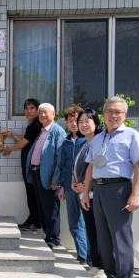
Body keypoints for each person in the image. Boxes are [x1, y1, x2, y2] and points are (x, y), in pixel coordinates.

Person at [81, 96, 139, 278]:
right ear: (103, 114)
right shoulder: (98, 139)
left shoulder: (131, 135)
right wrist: (86, 193)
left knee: (120, 238)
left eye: (118, 112)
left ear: (125, 115)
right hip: (99, 191)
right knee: (104, 238)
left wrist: (135, 195)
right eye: (109, 111)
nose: (113, 115)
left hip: (119, 189)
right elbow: (91, 167)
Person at [63, 108, 107, 278]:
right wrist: (75, 182)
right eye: (80, 121)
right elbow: (78, 167)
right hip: (84, 193)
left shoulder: (100, 141)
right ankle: (95, 265)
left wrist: (84, 185)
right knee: (91, 230)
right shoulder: (84, 143)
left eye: (86, 121)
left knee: (99, 232)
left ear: (96, 122)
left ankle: (103, 268)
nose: (82, 124)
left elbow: (100, 165)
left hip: (95, 192)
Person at [25, 103, 67, 248]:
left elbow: (61, 158)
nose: (42, 115)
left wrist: (56, 179)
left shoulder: (58, 131)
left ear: (53, 114)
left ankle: (53, 239)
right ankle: (47, 235)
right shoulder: (42, 131)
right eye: (41, 112)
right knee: (42, 207)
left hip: (49, 177)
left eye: (46, 112)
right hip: (37, 173)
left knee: (51, 208)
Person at [2, 98, 42, 231]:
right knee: (31, 193)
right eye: (26, 108)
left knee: (32, 193)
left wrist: (10, 149)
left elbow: (22, 144)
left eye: (32, 108)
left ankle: (35, 221)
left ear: (38, 110)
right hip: (29, 165)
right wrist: (13, 134)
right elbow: (25, 141)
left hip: (33, 166)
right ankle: (33, 219)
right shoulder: (32, 125)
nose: (29, 111)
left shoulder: (37, 124)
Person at [58, 106, 90, 265]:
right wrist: (62, 186)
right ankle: (83, 256)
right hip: (69, 188)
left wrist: (85, 185)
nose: (73, 123)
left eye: (76, 120)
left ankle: (92, 258)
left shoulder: (88, 140)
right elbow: (63, 166)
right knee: (74, 224)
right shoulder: (65, 143)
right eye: (70, 120)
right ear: (66, 123)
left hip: (86, 188)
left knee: (89, 224)